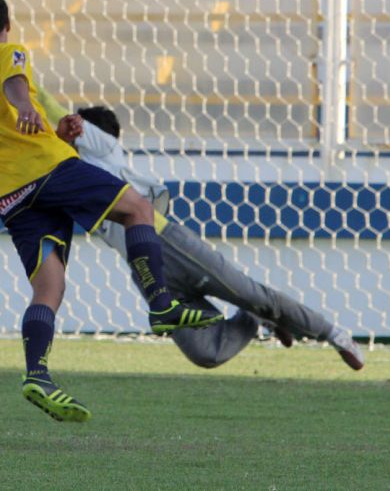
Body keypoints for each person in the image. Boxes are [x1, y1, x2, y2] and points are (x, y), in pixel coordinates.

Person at [0, 0, 221, 424]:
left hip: (10, 194)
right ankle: (160, 304)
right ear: (8, 21)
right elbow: (16, 86)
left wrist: (57, 129)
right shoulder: (9, 52)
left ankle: (37, 375)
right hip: (48, 172)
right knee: (138, 209)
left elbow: (7, 133)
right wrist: (25, 105)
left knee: (49, 289)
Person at [36, 92, 365, 371]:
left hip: (167, 243)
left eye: (78, 128)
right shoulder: (68, 172)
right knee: (206, 352)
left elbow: (50, 105)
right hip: (145, 269)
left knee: (253, 294)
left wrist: (20, 77)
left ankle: (333, 333)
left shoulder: (104, 149)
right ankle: (251, 319)